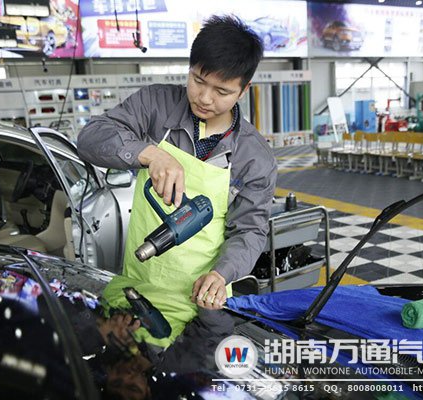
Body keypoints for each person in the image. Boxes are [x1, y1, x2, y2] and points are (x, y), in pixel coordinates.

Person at [77, 15, 277, 347]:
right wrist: (148, 153)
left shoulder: (255, 157)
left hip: (202, 303)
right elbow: (91, 137)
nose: (205, 98)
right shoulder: (155, 105)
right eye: (198, 80)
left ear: (244, 90)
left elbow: (250, 231)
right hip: (137, 288)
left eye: (222, 91)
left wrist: (221, 275)